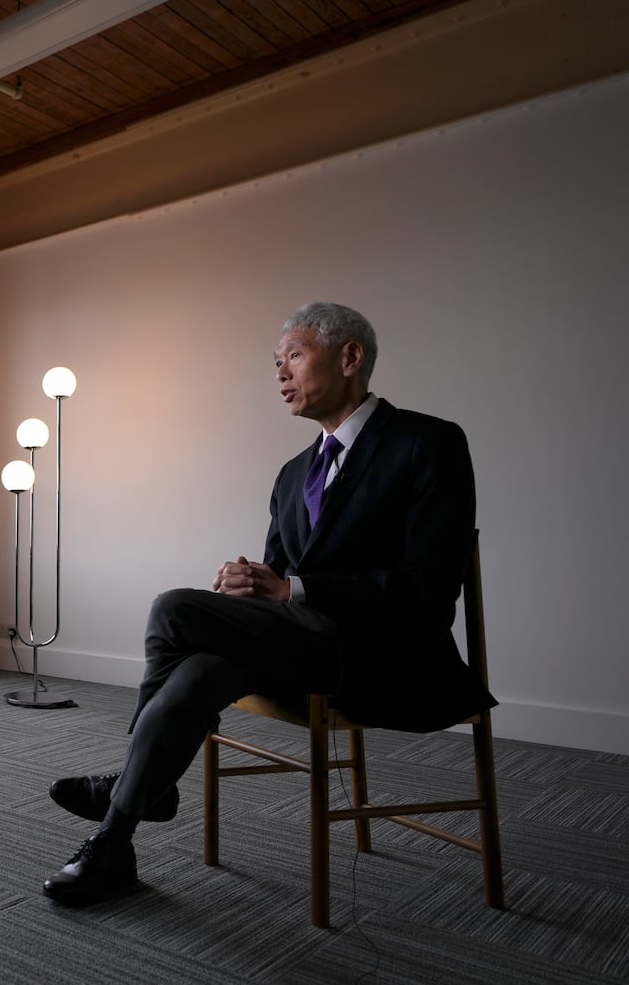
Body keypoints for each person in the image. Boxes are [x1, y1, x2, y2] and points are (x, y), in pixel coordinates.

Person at [40, 301, 498, 906]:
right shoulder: (291, 474)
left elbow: (429, 587)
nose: (280, 373)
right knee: (202, 668)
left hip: (384, 652)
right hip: (301, 647)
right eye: (276, 362)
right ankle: (115, 843)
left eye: (295, 357)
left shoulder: (427, 442)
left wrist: (292, 590)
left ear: (350, 357)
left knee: (173, 608)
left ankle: (136, 787)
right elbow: (280, 580)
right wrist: (253, 583)